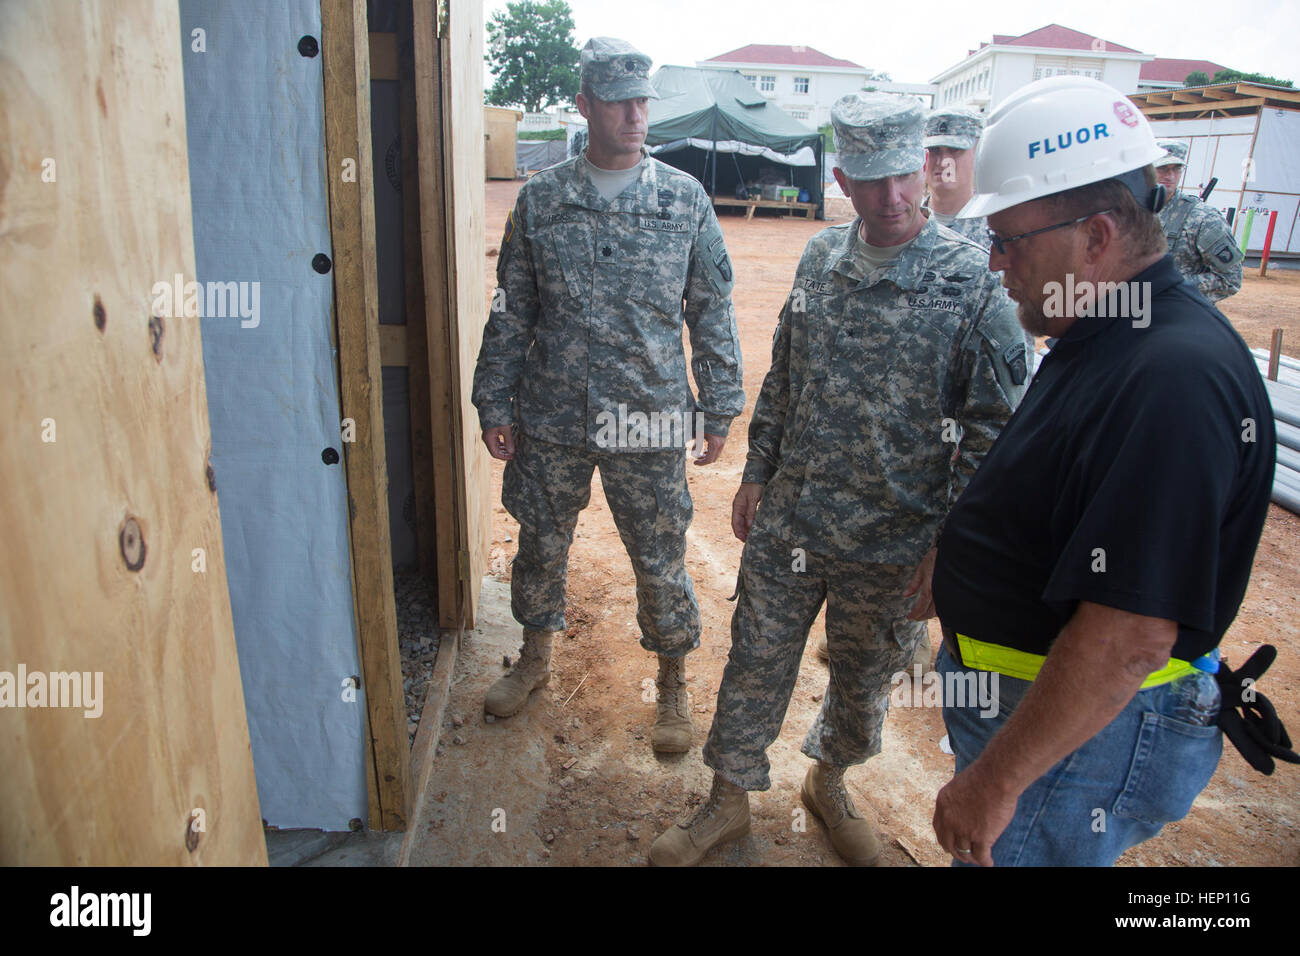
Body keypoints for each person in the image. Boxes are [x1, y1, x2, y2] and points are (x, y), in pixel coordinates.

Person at [649, 92, 1027, 867]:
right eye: (870, 179)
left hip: (896, 538)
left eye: (903, 177)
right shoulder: (821, 256)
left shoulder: (972, 281)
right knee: (755, 660)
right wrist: (758, 470)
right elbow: (786, 371)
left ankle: (831, 783)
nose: (890, 198)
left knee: (863, 679)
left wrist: (947, 548)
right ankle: (726, 803)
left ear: (923, 170)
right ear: (844, 178)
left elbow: (992, 433)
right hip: (794, 520)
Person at [929, 76, 1276, 867]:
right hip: (1048, 722)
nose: (995, 263)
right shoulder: (1109, 332)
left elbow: (1129, 634)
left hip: (1078, 746)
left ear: (1095, 236)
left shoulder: (1170, 378)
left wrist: (994, 783)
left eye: (1010, 240)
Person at [471, 37, 744, 753]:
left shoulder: (683, 198)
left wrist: (718, 405)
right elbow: (513, 308)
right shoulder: (543, 198)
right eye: (619, 101)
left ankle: (674, 687)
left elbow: (710, 310)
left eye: (643, 100)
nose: (635, 114)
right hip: (554, 412)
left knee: (658, 554)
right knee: (542, 541)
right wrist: (493, 400)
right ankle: (533, 659)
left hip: (648, 416)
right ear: (586, 105)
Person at [1154, 138, 1244, 302]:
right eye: (1163, 168)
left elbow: (1230, 279)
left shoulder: (1202, 218)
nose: (1171, 176)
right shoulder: (1132, 213)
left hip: (1181, 317)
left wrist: (1173, 287)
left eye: (1177, 169)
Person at [923, 107, 989, 248]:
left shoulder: (996, 227)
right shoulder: (903, 223)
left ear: (977, 153)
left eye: (955, 150)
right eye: (934, 151)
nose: (943, 162)